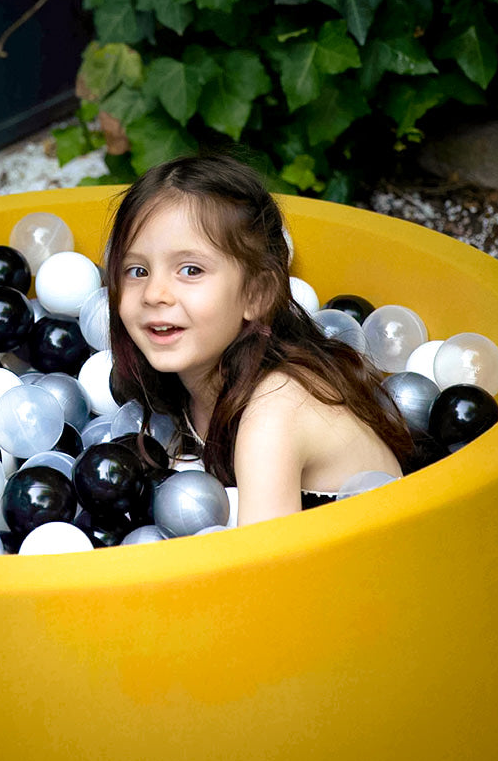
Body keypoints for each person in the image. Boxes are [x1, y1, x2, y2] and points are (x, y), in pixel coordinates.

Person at [105, 154, 413, 525]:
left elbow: (265, 573)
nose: (155, 293)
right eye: (137, 270)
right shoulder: (192, 391)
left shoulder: (274, 412)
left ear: (257, 295)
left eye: (191, 270)